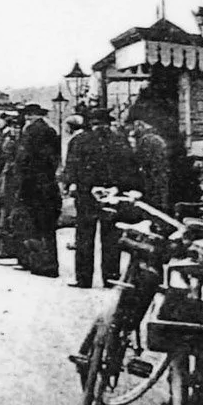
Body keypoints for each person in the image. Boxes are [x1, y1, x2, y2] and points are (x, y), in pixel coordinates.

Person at [60, 106, 137, 288]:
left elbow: (72, 167)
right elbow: (129, 168)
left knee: (84, 236)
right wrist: (117, 187)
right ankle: (110, 277)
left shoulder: (79, 140)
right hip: (112, 195)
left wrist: (74, 184)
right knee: (111, 237)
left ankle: (84, 278)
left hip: (87, 194)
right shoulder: (119, 140)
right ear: (108, 123)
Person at [11, 103, 63, 276]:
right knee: (47, 227)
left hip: (32, 186)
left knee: (34, 225)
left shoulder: (31, 131)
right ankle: (48, 263)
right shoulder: (50, 130)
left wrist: (20, 179)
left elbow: (23, 159)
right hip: (48, 184)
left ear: (31, 116)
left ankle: (41, 263)